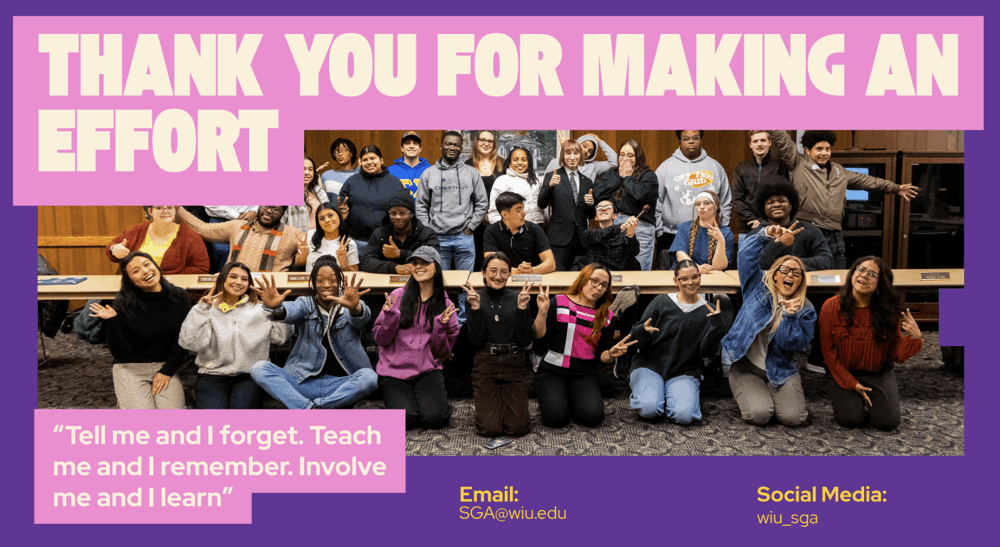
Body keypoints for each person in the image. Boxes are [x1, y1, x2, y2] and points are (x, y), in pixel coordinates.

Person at [768, 130, 919, 268]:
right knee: (803, 271)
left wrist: (896, 188)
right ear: (808, 151)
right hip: (807, 229)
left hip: (834, 232)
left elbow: (867, 181)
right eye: (819, 149)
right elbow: (782, 138)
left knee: (838, 272)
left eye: (827, 149)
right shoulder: (798, 163)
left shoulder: (839, 171)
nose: (824, 153)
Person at [250, 257, 378, 409]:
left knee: (369, 377)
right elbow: (291, 311)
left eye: (332, 280)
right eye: (320, 280)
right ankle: (309, 409)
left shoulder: (351, 304)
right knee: (259, 368)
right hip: (302, 382)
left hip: (340, 385)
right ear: (313, 283)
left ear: (340, 282)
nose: (326, 284)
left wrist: (354, 309)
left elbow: (362, 320)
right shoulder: (306, 303)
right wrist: (277, 308)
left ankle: (317, 407)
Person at [720, 225, 816, 427]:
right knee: (759, 415)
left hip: (781, 369)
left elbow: (791, 345)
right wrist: (764, 235)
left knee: (794, 418)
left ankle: (771, 391)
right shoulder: (757, 288)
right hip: (746, 366)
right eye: (784, 270)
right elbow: (746, 257)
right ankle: (753, 389)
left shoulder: (806, 310)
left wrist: (790, 317)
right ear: (775, 275)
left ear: (801, 280)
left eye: (796, 273)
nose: (790, 275)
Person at [819, 257, 923, 431]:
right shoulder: (830, 307)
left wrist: (915, 338)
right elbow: (829, 355)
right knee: (851, 419)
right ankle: (853, 399)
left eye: (872, 274)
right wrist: (852, 384)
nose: (864, 275)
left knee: (888, 423)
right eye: (860, 269)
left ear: (880, 284)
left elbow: (894, 354)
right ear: (852, 274)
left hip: (878, 372)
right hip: (843, 371)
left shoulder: (888, 310)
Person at [88, 251, 193, 409]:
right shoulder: (123, 304)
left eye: (147, 264)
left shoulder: (179, 296)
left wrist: (167, 371)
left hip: (165, 364)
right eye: (136, 271)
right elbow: (120, 353)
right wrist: (111, 322)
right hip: (130, 367)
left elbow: (184, 339)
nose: (145, 271)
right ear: (130, 281)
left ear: (156, 266)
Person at [178, 261, 288, 409]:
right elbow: (191, 344)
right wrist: (200, 310)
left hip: (250, 374)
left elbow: (281, 337)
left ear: (249, 284)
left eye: (244, 279)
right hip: (213, 374)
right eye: (233, 277)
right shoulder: (206, 309)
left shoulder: (260, 309)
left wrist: (276, 309)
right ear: (223, 279)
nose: (239, 282)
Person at [532, 263, 631, 427]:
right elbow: (538, 337)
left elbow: (602, 356)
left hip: (584, 374)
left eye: (604, 285)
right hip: (552, 371)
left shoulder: (606, 316)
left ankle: (572, 397)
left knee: (592, 417)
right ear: (584, 279)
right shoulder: (560, 302)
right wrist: (542, 313)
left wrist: (611, 354)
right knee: (555, 419)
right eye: (594, 281)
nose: (598, 288)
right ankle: (562, 397)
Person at [627, 259, 725, 424]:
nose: (690, 282)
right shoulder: (661, 301)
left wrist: (717, 328)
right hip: (650, 365)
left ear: (700, 277)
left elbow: (705, 353)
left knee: (684, 416)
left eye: (694, 277)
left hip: (684, 369)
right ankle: (650, 390)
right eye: (684, 279)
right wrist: (642, 331)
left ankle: (666, 393)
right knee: (649, 409)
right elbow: (635, 339)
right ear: (675, 281)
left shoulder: (710, 311)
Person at [373, 246, 460, 429]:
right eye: (415, 263)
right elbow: (380, 340)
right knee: (406, 420)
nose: (418, 267)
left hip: (427, 369)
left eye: (424, 262)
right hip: (393, 370)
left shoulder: (446, 305)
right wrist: (390, 317)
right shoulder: (397, 296)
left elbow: (442, 352)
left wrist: (440, 327)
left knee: (436, 419)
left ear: (436, 267)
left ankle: (420, 403)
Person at [464, 253, 535, 436]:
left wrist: (522, 310)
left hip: (515, 362)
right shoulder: (475, 298)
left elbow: (526, 340)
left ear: (509, 274)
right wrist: (475, 309)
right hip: (485, 363)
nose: (498, 276)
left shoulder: (519, 297)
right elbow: (475, 341)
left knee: (518, 428)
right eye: (493, 271)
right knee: (490, 429)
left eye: (504, 272)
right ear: (483, 273)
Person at [655, 131, 732, 268]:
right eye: (686, 138)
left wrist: (721, 228)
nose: (691, 141)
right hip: (671, 235)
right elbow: (656, 201)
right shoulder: (665, 168)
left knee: (711, 273)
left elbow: (725, 201)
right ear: (679, 140)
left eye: (695, 138)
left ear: (701, 139)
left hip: (709, 234)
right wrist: (659, 232)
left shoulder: (715, 167)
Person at [415, 131, 488, 273]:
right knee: (439, 281)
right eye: (448, 144)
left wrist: (470, 227)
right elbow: (421, 205)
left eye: (456, 145)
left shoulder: (472, 173)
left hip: (464, 237)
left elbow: (482, 203)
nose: (452, 148)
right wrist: (429, 230)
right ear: (441, 146)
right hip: (437, 237)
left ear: (461, 148)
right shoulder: (428, 174)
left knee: (465, 281)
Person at [177, 205, 308, 272]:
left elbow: (315, 243)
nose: (269, 211)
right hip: (232, 290)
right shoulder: (237, 226)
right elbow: (202, 228)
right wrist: (176, 207)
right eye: (266, 206)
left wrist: (301, 260)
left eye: (275, 209)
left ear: (283, 214)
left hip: (270, 296)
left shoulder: (292, 233)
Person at [592, 140, 658, 270]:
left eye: (630, 155)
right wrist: (619, 178)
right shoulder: (611, 174)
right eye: (622, 155)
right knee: (614, 271)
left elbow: (639, 195)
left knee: (639, 272)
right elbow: (598, 194)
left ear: (638, 156)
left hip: (639, 226)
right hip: (613, 226)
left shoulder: (648, 175)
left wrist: (627, 178)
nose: (625, 159)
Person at [537, 140, 597, 271]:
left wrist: (591, 204)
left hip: (581, 240)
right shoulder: (552, 176)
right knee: (557, 277)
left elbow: (591, 215)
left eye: (576, 153)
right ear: (562, 156)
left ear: (581, 155)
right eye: (568, 153)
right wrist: (549, 186)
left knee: (580, 278)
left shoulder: (587, 182)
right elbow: (541, 204)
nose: (572, 157)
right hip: (559, 239)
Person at [338, 144, 407, 256]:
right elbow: (341, 211)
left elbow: (405, 213)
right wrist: (341, 214)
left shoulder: (395, 183)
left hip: (386, 244)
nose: (369, 162)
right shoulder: (351, 182)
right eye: (365, 160)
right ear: (360, 162)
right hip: (355, 243)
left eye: (373, 158)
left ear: (381, 160)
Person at [749, 179, 833, 271]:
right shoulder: (756, 234)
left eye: (782, 201)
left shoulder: (811, 230)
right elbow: (751, 264)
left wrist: (793, 263)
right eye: (770, 202)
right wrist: (779, 243)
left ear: (791, 205)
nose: (776, 205)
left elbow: (826, 260)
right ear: (763, 208)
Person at [107, 206, 209, 274]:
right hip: (135, 287)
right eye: (159, 208)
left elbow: (201, 268)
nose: (165, 211)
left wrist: (168, 280)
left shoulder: (191, 236)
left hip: (172, 290)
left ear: (175, 211)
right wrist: (114, 249)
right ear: (150, 211)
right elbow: (111, 247)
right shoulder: (137, 230)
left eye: (170, 207)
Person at [361, 188, 440, 274]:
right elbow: (366, 261)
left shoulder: (426, 234)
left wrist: (400, 254)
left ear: (411, 214)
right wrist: (395, 267)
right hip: (386, 280)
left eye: (402, 213)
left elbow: (434, 260)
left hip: (419, 279)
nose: (397, 217)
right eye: (393, 213)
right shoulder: (380, 234)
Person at [732, 130, 790, 242]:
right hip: (747, 228)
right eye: (755, 141)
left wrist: (763, 221)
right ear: (750, 145)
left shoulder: (780, 166)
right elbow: (736, 198)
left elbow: (782, 197)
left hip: (773, 227)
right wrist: (753, 219)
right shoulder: (741, 167)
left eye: (763, 140)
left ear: (770, 142)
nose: (759, 144)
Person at [482, 191, 555, 274]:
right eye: (518, 210)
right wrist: (517, 271)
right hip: (504, 279)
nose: (524, 213)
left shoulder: (534, 229)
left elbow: (551, 263)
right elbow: (491, 263)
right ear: (505, 214)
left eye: (523, 208)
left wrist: (531, 271)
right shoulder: (492, 231)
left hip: (532, 277)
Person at [668, 190, 734, 273]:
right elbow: (680, 255)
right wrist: (696, 268)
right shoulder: (685, 227)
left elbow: (718, 268)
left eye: (707, 203)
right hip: (686, 273)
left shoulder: (726, 233)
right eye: (698, 204)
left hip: (712, 276)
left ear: (716, 207)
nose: (702, 207)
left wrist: (721, 240)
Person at [488, 146, 545, 226]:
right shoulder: (502, 181)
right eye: (515, 160)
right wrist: (502, 228)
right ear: (509, 163)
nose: (520, 163)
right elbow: (494, 211)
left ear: (529, 162)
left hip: (536, 227)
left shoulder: (536, 180)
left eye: (524, 160)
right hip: (513, 228)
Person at [580, 200, 639, 271]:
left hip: (620, 273)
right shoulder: (589, 233)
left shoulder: (623, 234)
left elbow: (633, 252)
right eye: (599, 208)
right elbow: (603, 234)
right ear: (596, 217)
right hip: (597, 273)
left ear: (615, 216)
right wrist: (621, 227)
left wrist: (630, 234)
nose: (603, 209)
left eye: (607, 207)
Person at [544, 133, 618, 182]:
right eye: (584, 146)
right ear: (577, 144)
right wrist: (566, 148)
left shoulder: (593, 166)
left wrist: (599, 141)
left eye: (590, 151)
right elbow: (545, 187)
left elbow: (615, 162)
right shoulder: (555, 162)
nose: (586, 151)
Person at [283, 157, 330, 234]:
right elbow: (278, 223)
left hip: (320, 238)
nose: (307, 173)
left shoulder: (320, 192)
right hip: (297, 239)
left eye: (310, 169)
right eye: (302, 169)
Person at [307, 203, 358, 272]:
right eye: (322, 218)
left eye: (330, 215)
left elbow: (355, 275)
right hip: (308, 278)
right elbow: (297, 264)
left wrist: (343, 260)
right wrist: (303, 255)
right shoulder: (310, 235)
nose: (327, 220)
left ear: (339, 216)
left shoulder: (349, 244)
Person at [388, 131, 431, 198]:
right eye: (407, 143)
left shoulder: (430, 170)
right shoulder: (390, 171)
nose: (411, 146)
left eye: (415, 143)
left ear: (420, 148)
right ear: (402, 148)